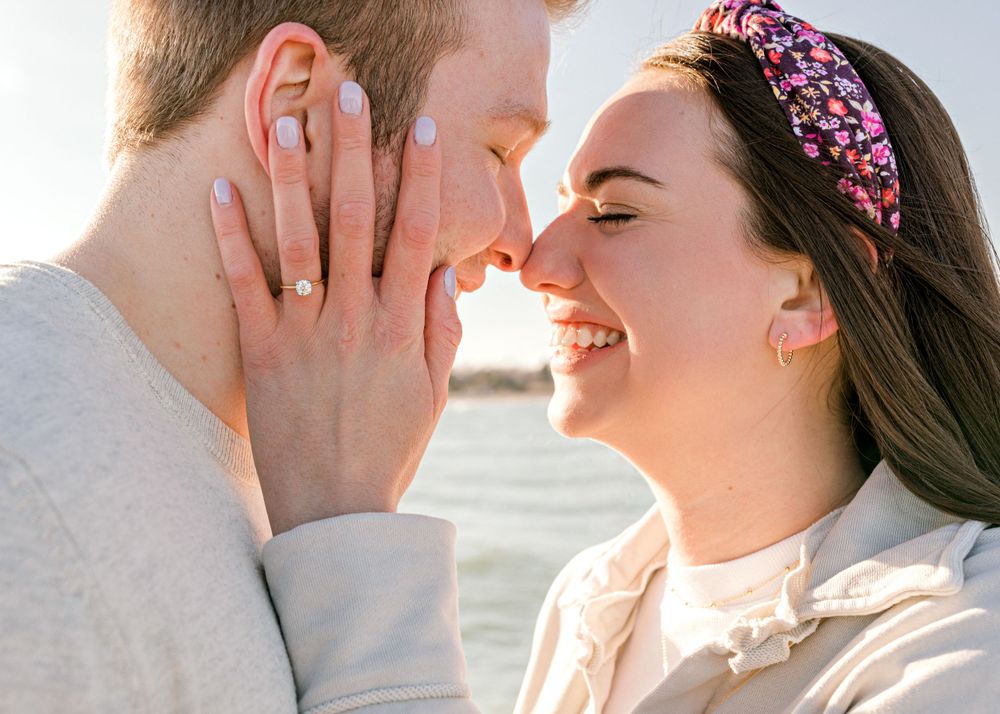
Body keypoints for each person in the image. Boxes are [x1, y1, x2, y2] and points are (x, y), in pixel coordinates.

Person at [210, 0, 1000, 712]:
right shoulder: (592, 602)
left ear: (809, 294)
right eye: (561, 206)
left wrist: (348, 521)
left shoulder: (957, 653)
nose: (535, 259)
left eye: (616, 212)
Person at [0, 0, 584, 711]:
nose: (518, 242)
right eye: (499, 151)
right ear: (296, 108)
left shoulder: (257, 459)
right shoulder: (29, 515)